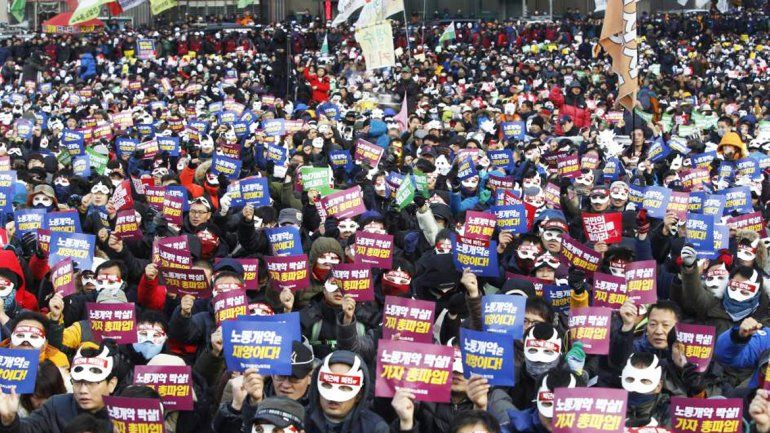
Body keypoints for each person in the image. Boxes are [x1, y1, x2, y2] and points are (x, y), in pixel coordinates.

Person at [0, 342, 119, 433]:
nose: (83, 390)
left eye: (92, 383)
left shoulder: (124, 414)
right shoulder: (56, 406)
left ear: (111, 384)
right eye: (78, 382)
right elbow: (28, 428)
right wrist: (9, 420)